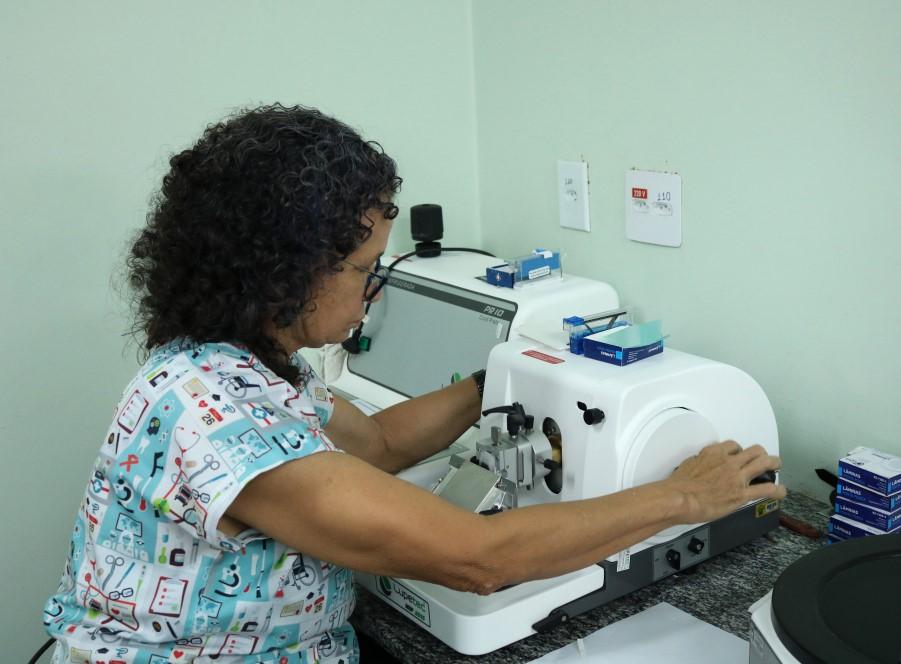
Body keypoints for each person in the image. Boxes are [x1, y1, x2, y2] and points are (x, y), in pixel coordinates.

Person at [43, 104, 785, 664]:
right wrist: (685, 497)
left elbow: (379, 443)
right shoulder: (220, 419)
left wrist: (509, 376)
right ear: (286, 272)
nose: (371, 294)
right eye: (366, 270)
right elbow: (479, 558)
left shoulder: (232, 363)